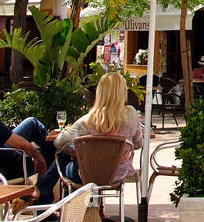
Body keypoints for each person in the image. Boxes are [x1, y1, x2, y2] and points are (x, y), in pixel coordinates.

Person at [51, 72, 142, 204]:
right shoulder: (131, 115)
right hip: (118, 174)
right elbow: (138, 144)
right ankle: (92, 209)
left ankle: (67, 212)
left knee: (62, 157)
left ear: (99, 92)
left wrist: (75, 152)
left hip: (88, 174)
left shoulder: (87, 121)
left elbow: (59, 142)